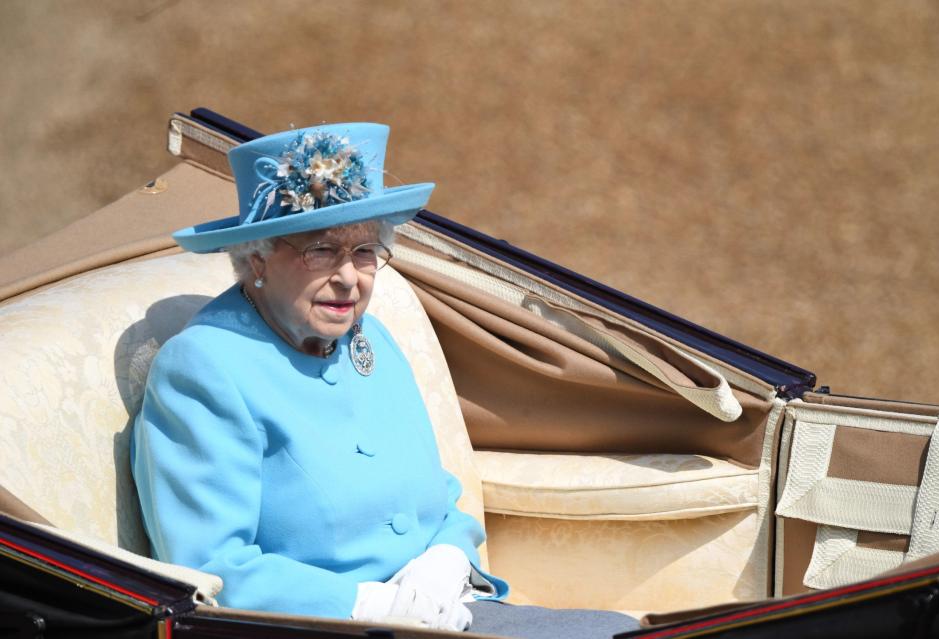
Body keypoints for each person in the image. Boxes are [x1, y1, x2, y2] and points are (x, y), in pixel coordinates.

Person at [131, 123, 639, 638]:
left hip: (448, 615)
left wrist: (447, 558)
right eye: (322, 251)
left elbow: (438, 497)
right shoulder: (204, 369)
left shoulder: (367, 339)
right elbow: (210, 568)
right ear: (257, 259)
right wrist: (369, 604)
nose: (350, 278)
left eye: (365, 252)